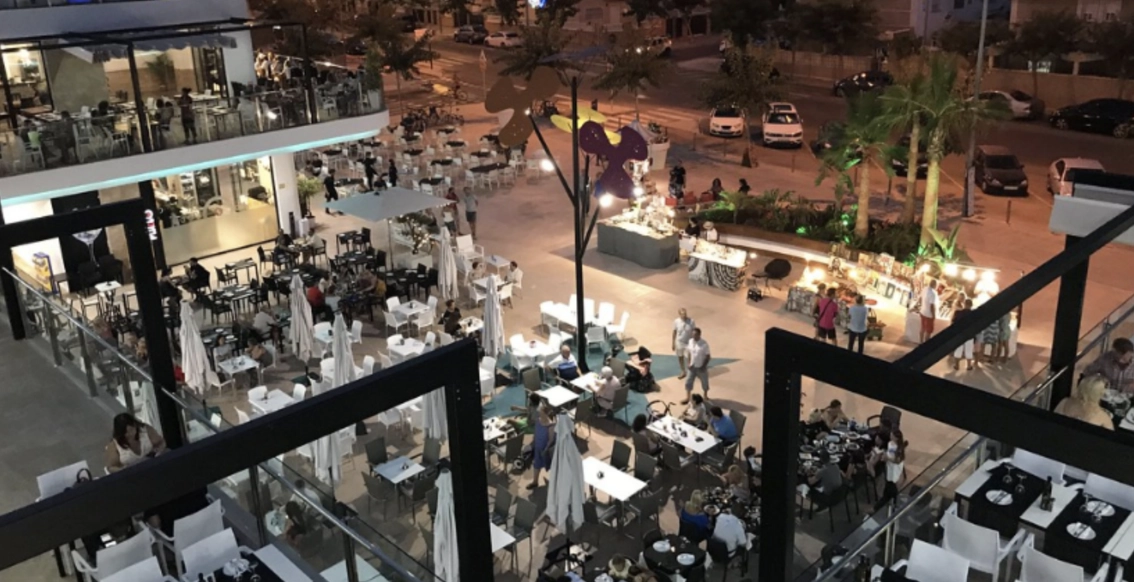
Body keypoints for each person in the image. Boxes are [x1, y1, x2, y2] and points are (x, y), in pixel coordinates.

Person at [871, 430, 907, 510]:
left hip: (894, 470)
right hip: (889, 469)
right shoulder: (890, 444)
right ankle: (892, 503)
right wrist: (885, 455)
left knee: (889, 490)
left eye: (892, 435)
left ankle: (877, 508)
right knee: (889, 488)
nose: (890, 436)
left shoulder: (899, 448)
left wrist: (888, 458)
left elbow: (898, 461)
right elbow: (889, 454)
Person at [527, 404, 555, 490]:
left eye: (541, 413)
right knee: (536, 465)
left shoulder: (550, 425)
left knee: (551, 465)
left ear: (546, 414)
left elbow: (551, 439)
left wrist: (546, 449)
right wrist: (533, 442)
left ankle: (555, 483)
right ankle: (535, 482)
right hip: (538, 447)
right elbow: (536, 433)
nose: (540, 415)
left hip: (545, 450)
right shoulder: (538, 421)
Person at [683, 327, 711, 403]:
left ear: (699, 335)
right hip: (692, 366)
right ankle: (687, 397)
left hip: (701, 366)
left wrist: (703, 366)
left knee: (704, 381)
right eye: (693, 334)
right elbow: (689, 352)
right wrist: (689, 362)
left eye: (695, 335)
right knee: (688, 381)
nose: (694, 336)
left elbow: (708, 356)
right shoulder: (690, 341)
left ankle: (705, 396)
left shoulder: (704, 344)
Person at [950, 298, 977, 370]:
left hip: (960, 334)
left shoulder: (958, 313)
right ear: (971, 305)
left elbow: (953, 322)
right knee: (969, 350)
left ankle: (956, 365)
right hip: (969, 334)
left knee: (958, 350)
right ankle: (969, 366)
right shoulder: (974, 315)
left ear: (964, 304)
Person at [672, 308, 696, 380]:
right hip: (680, 342)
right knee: (680, 356)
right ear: (679, 314)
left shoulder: (691, 321)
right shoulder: (676, 321)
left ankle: (690, 371)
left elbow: (694, 332)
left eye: (685, 313)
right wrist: (673, 342)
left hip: (688, 342)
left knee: (689, 356)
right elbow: (674, 332)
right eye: (682, 314)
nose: (684, 315)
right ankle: (683, 371)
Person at [919, 278, 939, 343]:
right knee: (928, 331)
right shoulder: (933, 293)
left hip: (923, 311)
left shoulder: (925, 289)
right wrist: (934, 315)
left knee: (922, 328)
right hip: (929, 315)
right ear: (935, 285)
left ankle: (921, 342)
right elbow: (932, 305)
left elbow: (920, 299)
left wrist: (922, 306)